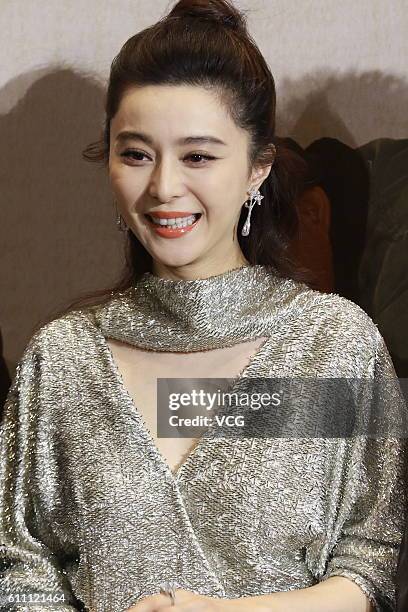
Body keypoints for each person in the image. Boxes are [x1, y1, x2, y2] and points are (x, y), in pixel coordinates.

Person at [0, 1, 407, 611]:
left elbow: (369, 564)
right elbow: (22, 573)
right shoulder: (61, 362)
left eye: (198, 156)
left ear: (257, 169)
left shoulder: (329, 347)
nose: (164, 187)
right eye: (136, 153)